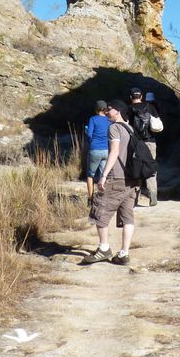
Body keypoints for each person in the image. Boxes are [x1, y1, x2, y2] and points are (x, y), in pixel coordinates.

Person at [80, 100, 135, 265]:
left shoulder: (115, 128)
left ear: (118, 111)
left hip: (116, 177)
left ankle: (104, 248)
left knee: (100, 211)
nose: (107, 111)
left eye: (110, 109)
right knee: (128, 217)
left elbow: (114, 152)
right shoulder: (130, 128)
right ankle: (124, 253)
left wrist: (103, 176)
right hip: (132, 179)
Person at [126, 87, 159, 206]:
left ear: (130, 97)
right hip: (150, 141)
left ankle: (135, 197)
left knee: (136, 168)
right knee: (151, 166)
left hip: (135, 143)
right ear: (141, 96)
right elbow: (157, 124)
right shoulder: (150, 107)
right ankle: (153, 193)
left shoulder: (128, 109)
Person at [84, 100, 110, 201]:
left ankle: (90, 199)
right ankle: (102, 198)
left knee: (90, 175)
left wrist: (90, 139)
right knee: (103, 175)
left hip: (95, 149)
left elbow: (89, 134)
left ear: (96, 109)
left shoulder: (93, 119)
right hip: (106, 150)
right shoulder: (109, 120)